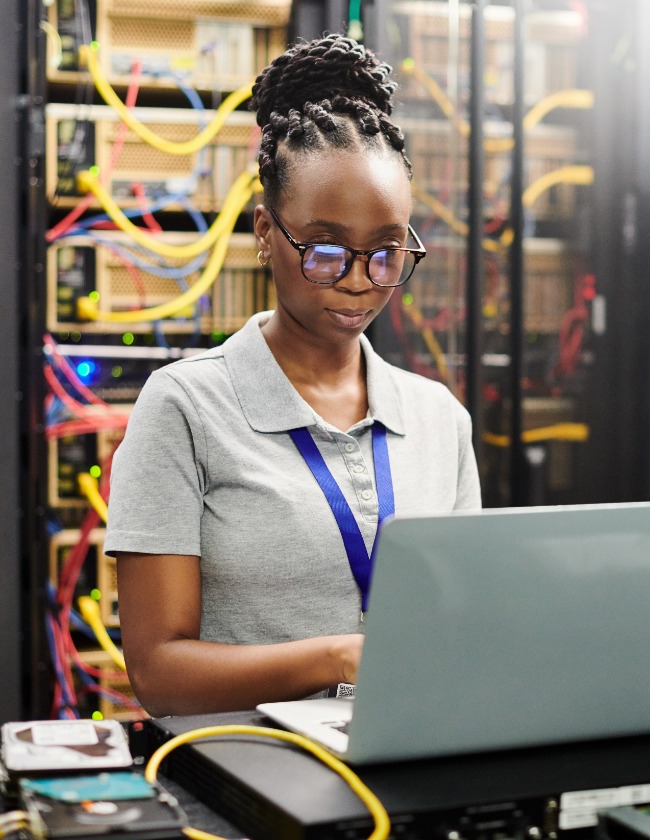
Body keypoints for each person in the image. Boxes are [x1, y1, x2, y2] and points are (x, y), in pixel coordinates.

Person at [104, 34, 482, 717]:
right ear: (265, 231)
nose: (359, 283)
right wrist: (337, 658)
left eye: (387, 253)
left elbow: (459, 626)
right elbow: (158, 674)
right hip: (251, 769)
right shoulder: (186, 408)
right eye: (327, 251)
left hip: (409, 749)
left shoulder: (440, 420)